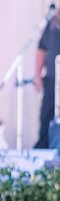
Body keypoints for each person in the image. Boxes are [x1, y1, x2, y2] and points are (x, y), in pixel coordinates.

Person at [34, 9, 60, 148]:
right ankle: (43, 147)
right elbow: (42, 48)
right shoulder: (52, 21)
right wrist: (37, 74)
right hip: (52, 78)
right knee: (47, 114)